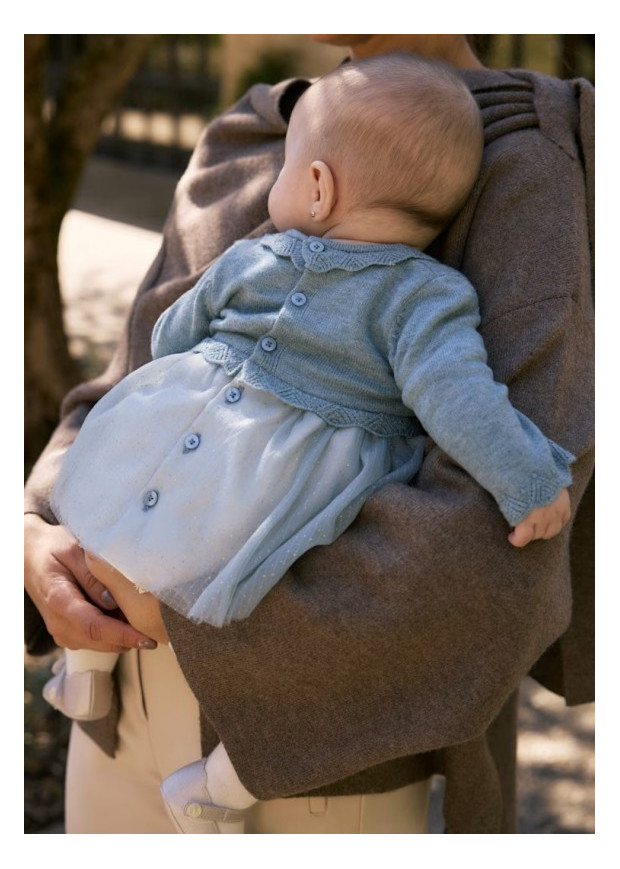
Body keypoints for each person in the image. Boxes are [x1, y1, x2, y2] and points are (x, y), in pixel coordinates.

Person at [24, 35, 594, 834]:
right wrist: (35, 525)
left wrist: (170, 604)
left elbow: (486, 529)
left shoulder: (526, 161)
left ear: (319, 186)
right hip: (114, 706)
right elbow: (133, 369)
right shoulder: (251, 131)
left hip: (313, 751)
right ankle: (86, 673)